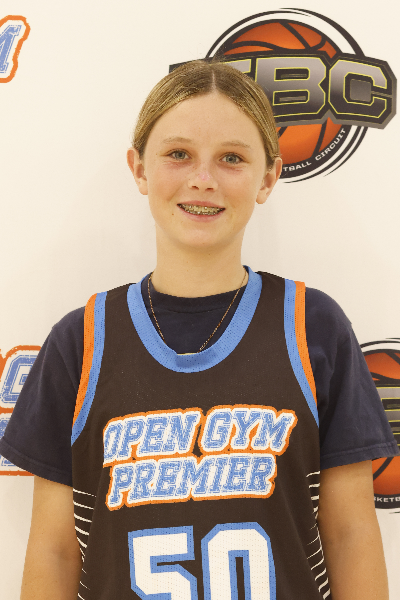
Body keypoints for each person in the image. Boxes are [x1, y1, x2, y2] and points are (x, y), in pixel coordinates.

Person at [1, 59, 398, 600]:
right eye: (178, 154)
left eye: (232, 158)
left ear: (268, 177)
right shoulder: (81, 342)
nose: (203, 179)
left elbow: (351, 534)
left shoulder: (313, 327)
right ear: (139, 169)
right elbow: (55, 550)